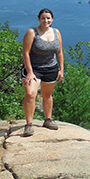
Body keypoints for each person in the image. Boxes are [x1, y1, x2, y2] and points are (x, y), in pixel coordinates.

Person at [21, 8, 64, 137]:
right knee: (30, 94)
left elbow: (59, 52)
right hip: (33, 69)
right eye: (43, 18)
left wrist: (61, 69)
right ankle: (29, 124)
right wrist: (29, 72)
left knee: (47, 94)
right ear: (39, 19)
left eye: (48, 18)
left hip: (51, 68)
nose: (46, 20)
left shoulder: (56, 32)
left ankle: (48, 119)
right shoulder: (32, 32)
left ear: (52, 19)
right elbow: (26, 53)